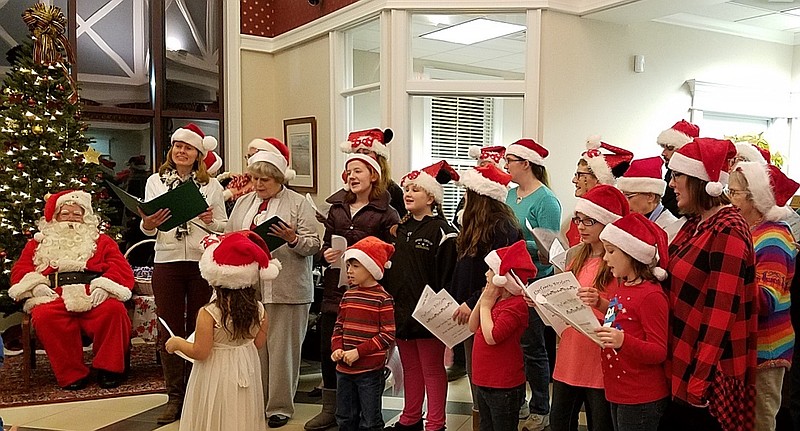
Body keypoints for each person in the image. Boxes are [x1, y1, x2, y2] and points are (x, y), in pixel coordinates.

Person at [661, 137, 757, 431]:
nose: (671, 184)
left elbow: (720, 315)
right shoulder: (695, 223)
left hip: (709, 376)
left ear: (701, 181)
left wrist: (699, 380)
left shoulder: (728, 230)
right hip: (683, 363)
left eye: (678, 176)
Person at [226, 138, 321, 428]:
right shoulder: (244, 202)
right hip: (250, 289)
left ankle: (279, 407)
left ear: (278, 178)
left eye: (264, 179)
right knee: (253, 348)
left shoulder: (298, 203)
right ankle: (256, 401)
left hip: (287, 289)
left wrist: (292, 238)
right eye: (254, 178)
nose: (257, 184)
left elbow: (315, 244)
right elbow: (230, 237)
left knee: (283, 352)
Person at [139, 123, 228, 424]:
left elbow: (224, 227)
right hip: (167, 260)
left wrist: (211, 219)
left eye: (188, 147)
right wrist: (149, 223)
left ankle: (197, 389)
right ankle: (174, 396)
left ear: (198, 154)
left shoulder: (212, 186)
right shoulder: (155, 181)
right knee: (169, 325)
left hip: (202, 261)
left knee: (201, 325)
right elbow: (148, 223)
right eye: (177, 146)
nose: (181, 151)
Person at [306, 153, 400, 431]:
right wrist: (327, 253)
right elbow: (324, 248)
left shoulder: (387, 213)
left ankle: (366, 412)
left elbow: (391, 254)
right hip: (337, 287)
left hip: (369, 294)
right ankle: (332, 408)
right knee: (329, 346)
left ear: (373, 175)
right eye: (348, 172)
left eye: (358, 170)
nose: (352, 176)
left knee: (363, 344)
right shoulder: (336, 208)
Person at [9, 190, 134, 390]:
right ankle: (72, 373)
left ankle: (110, 369)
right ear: (55, 217)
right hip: (53, 293)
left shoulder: (102, 241)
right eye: (65, 214)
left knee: (113, 311)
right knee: (44, 316)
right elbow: (20, 269)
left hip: (91, 291)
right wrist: (36, 285)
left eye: (77, 214)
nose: (71, 219)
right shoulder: (38, 243)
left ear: (86, 217)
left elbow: (120, 266)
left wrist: (105, 285)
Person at [165, 231, 275, 431]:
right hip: (246, 368)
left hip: (216, 373)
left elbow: (201, 352)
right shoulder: (259, 309)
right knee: (240, 415)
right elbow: (259, 343)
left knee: (216, 416)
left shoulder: (209, 313)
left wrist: (177, 343)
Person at [382, 161, 460, 431]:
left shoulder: (443, 231)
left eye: (416, 189)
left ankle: (436, 422)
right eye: (406, 189)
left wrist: (441, 310)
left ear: (431, 197)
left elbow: (448, 277)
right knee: (410, 368)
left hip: (429, 314)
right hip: (402, 311)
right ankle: (410, 417)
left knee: (431, 368)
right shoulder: (401, 230)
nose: (408, 193)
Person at [726, 162, 799, 431]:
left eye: (734, 193)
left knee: (760, 422)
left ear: (754, 198)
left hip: (766, 351)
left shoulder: (773, 238)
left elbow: (766, 300)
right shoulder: (750, 231)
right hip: (750, 348)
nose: (729, 199)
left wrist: (729, 276)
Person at [451, 163, 522, 429]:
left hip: (488, 307)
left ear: (480, 197)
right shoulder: (473, 224)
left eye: (468, 193)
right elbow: (465, 270)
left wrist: (472, 303)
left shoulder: (502, 228)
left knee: (485, 372)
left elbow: (500, 274)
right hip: (472, 306)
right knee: (475, 372)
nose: (464, 199)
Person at [552, 184, 628, 431]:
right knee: (560, 422)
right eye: (578, 220)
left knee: (600, 423)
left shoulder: (618, 263)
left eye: (589, 221)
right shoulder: (577, 257)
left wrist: (600, 302)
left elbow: (626, 313)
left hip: (598, 358)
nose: (581, 227)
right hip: (569, 355)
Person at [589, 213, 670, 431]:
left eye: (612, 251)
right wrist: (600, 304)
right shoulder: (625, 285)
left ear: (632, 254)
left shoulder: (651, 296)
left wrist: (623, 341)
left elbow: (658, 351)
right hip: (619, 391)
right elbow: (623, 315)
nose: (605, 258)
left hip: (640, 396)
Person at [503, 138, 561, 430]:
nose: (505, 165)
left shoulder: (546, 199)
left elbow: (549, 249)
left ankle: (541, 405)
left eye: (510, 160)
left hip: (535, 280)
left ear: (526, 163)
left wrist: (518, 243)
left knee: (533, 346)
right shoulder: (511, 195)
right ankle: (520, 401)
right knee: (515, 345)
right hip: (511, 279)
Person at [470, 240, 536, 431]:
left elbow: (492, 337)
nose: (485, 274)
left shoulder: (516, 306)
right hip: (483, 381)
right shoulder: (493, 301)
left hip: (503, 386)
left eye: (490, 270)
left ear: (502, 278)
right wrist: (484, 298)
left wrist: (486, 304)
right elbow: (472, 325)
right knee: (486, 426)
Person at [332, 236, 396, 431]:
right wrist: (337, 349)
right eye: (348, 265)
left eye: (355, 266)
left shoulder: (382, 298)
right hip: (344, 370)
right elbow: (339, 326)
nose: (349, 271)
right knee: (344, 417)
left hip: (369, 371)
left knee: (370, 420)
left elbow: (387, 335)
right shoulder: (348, 295)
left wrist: (358, 352)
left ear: (371, 268)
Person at [564, 136, 633, 247]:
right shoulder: (580, 212)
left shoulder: (609, 215)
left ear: (597, 178)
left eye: (580, 175)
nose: (574, 180)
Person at [340, 128, 407, 218]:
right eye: (358, 153)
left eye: (366, 153)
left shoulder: (393, 191)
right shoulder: (350, 186)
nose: (361, 157)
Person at [616, 156, 682, 241]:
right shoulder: (631, 220)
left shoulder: (671, 229)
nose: (624, 203)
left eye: (629, 196)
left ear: (650, 197)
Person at [656, 120, 699, 218]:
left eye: (669, 148)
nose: (663, 153)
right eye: (663, 147)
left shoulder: (691, 177)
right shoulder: (669, 171)